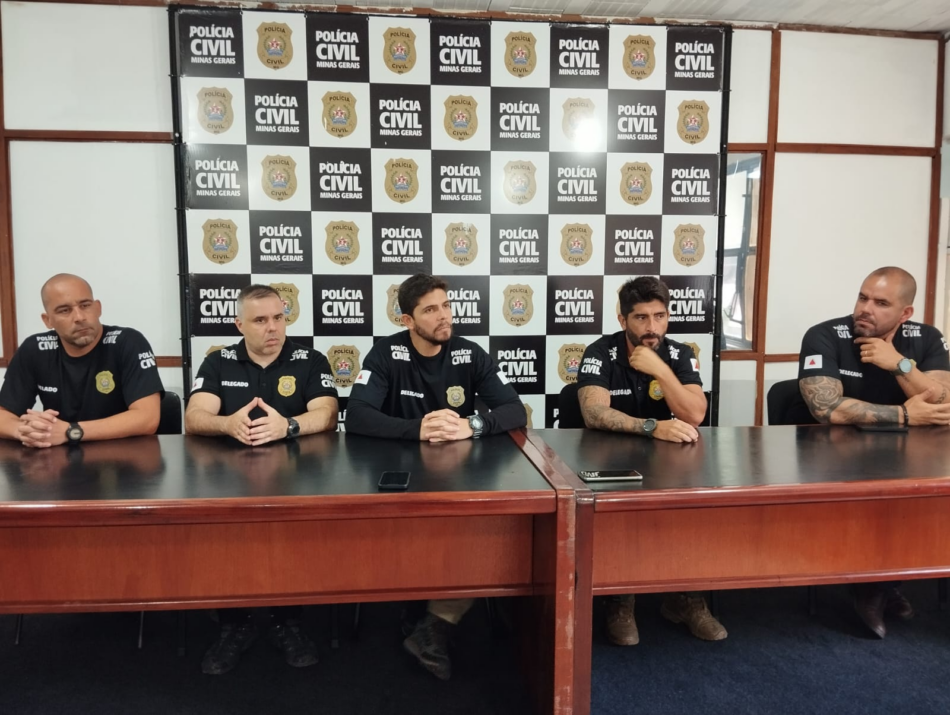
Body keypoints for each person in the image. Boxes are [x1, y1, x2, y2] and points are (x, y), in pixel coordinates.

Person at [345, 273, 527, 680]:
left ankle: (433, 624)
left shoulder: (469, 353)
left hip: (458, 481)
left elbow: (515, 411)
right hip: (399, 479)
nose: (444, 316)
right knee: (424, 538)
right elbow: (356, 415)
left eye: (446, 305)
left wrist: (471, 425)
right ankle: (425, 613)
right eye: (430, 310)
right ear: (407, 320)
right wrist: (418, 429)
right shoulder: (385, 353)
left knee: (485, 534)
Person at [185, 284, 339, 674]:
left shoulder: (309, 359)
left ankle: (288, 622)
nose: (273, 328)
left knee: (292, 542)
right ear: (239, 325)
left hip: (296, 478)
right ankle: (234, 625)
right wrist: (226, 423)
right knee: (225, 542)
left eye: (278, 317)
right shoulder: (218, 361)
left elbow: (326, 413)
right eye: (260, 320)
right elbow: (194, 417)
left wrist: (288, 426)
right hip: (230, 479)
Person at [798, 266, 950, 638]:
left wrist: (897, 363)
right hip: (837, 456)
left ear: (905, 313)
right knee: (880, 497)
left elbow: (942, 402)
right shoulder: (824, 335)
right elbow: (826, 408)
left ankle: (879, 584)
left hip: (910, 456)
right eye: (863, 297)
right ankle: (875, 588)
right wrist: (905, 415)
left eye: (881, 303)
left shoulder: (927, 338)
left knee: (921, 497)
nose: (865, 309)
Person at [577, 276, 727, 646]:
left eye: (660, 316)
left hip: (668, 463)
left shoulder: (679, 354)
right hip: (612, 458)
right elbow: (594, 413)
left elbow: (695, 414)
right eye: (641, 318)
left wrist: (660, 370)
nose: (652, 327)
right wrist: (651, 426)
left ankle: (685, 598)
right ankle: (620, 600)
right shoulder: (600, 351)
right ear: (622, 319)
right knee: (617, 507)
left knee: (693, 504)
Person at [0, 273, 163, 446]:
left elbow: (148, 418)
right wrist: (24, 431)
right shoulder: (34, 349)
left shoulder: (129, 342)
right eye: (64, 310)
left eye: (85, 305)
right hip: (59, 457)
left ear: (98, 308)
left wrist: (71, 431)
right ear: (48, 320)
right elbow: (3, 414)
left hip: (123, 455)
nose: (79, 317)